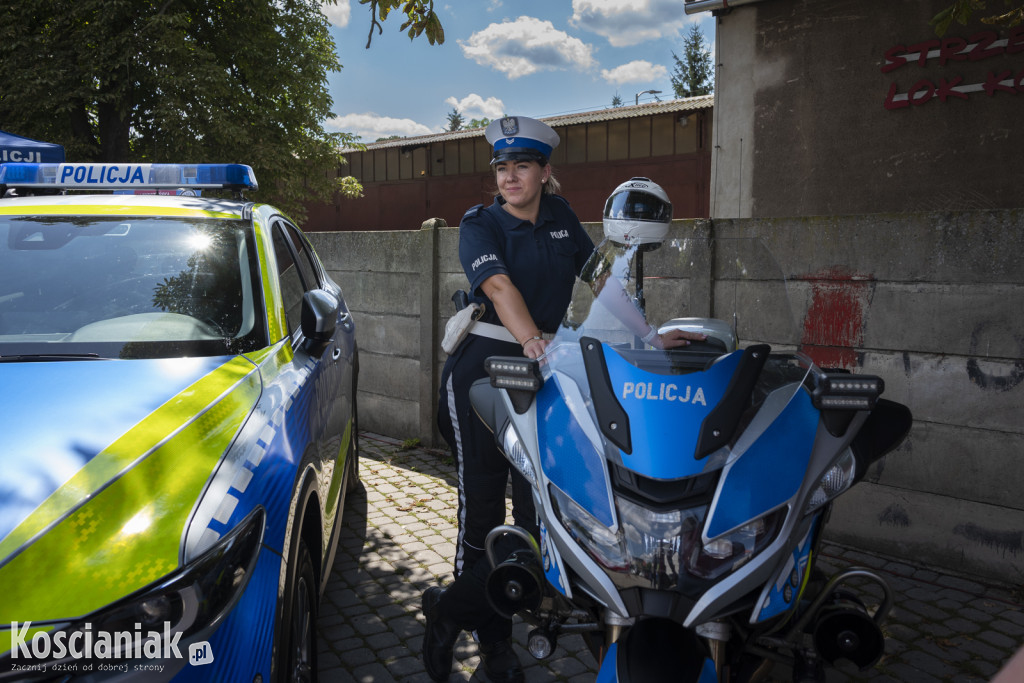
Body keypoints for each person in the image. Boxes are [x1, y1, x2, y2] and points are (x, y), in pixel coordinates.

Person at [423, 118, 701, 683]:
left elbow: (603, 283)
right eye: (502, 168)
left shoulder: (562, 219)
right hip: (486, 368)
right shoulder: (481, 223)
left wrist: (648, 338)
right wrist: (531, 343)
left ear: (545, 172)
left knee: (540, 514)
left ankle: (467, 608)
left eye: (521, 166)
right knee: (481, 514)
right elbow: (499, 289)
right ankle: (482, 637)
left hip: (545, 372)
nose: (509, 177)